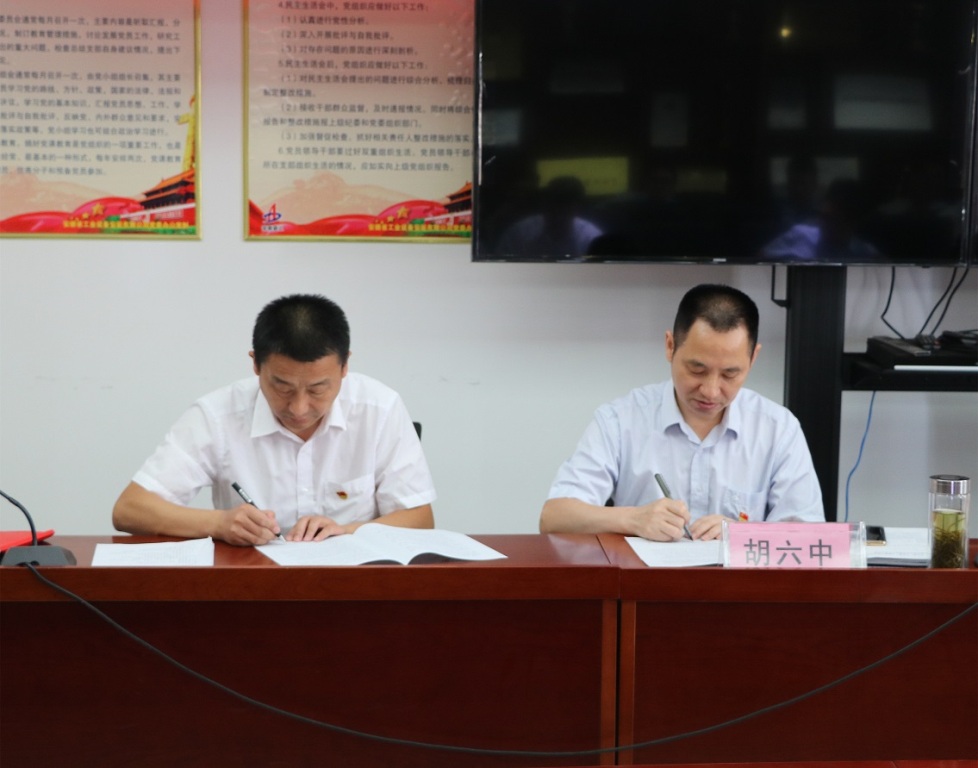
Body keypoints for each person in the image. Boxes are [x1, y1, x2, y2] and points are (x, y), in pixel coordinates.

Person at [113, 294, 435, 546]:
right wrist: (219, 524)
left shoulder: (379, 409)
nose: (299, 408)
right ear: (256, 364)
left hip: (355, 588)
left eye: (317, 389)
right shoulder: (217, 415)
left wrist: (348, 530)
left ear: (344, 366)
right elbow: (129, 509)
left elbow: (420, 519)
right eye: (282, 387)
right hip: (252, 589)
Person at [540, 284, 823, 541]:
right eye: (697, 370)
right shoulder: (620, 420)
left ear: (753, 358)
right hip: (644, 581)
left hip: (739, 582)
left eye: (729, 374)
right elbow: (554, 517)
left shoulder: (778, 428)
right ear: (670, 346)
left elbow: (813, 538)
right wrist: (633, 519)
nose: (711, 391)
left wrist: (744, 534)